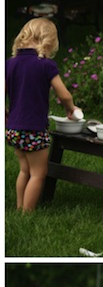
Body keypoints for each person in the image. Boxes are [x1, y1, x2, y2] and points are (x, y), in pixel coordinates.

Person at [6, 18, 81, 212]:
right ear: (49, 42)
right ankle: (27, 214)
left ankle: (19, 207)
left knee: (24, 169)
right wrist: (70, 108)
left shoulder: (10, 63)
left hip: (13, 129)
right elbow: (64, 94)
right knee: (38, 173)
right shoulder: (45, 65)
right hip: (34, 129)